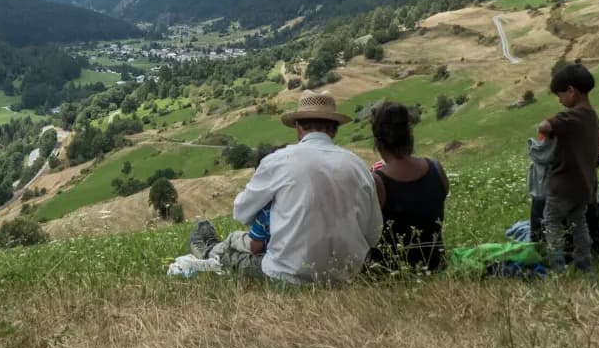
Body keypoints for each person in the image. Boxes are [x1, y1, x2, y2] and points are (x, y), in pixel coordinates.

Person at [189, 90, 382, 284]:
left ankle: (207, 251)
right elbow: (373, 233)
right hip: (348, 275)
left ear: (298, 127)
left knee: (231, 257)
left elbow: (241, 212)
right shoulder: (359, 166)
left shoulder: (278, 161)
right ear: (334, 130)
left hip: (288, 275)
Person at [368, 101, 449, 271]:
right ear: (409, 136)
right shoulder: (436, 169)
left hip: (392, 271)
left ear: (378, 142)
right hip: (435, 263)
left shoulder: (377, 182)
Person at [538, 63, 599, 272]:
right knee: (578, 223)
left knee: (552, 222)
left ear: (571, 91)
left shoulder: (571, 116)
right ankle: (584, 264)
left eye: (560, 94)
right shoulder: (592, 116)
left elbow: (544, 126)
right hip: (584, 186)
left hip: (562, 185)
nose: (559, 100)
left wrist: (548, 129)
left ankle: (557, 266)